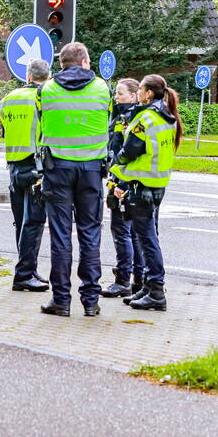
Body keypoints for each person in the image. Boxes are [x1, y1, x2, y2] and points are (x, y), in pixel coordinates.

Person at [36, 42, 113, 317]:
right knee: (90, 233)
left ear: (62, 64)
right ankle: (91, 301)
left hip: (57, 169)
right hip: (91, 170)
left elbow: (41, 124)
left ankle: (61, 300)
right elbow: (108, 120)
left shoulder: (47, 90)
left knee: (60, 235)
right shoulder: (102, 89)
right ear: (83, 62)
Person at [111, 74, 181, 311]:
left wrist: (114, 163)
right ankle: (147, 288)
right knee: (147, 238)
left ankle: (156, 291)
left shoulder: (146, 119)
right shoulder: (167, 117)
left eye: (140, 89)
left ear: (149, 93)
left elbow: (129, 151)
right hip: (156, 184)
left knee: (147, 240)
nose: (139, 93)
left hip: (141, 185)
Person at [0, 58, 52, 292]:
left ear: (28, 76)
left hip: (13, 167)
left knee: (20, 221)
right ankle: (24, 275)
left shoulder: (7, 100)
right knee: (34, 221)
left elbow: (4, 126)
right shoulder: (45, 99)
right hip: (36, 167)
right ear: (47, 78)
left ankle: (27, 269)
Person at [102, 78, 143, 299]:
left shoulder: (128, 119)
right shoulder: (126, 116)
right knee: (133, 233)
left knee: (122, 232)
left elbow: (126, 154)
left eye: (120, 94)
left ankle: (123, 280)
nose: (116, 97)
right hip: (128, 182)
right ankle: (138, 279)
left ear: (134, 96)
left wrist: (119, 184)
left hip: (123, 183)